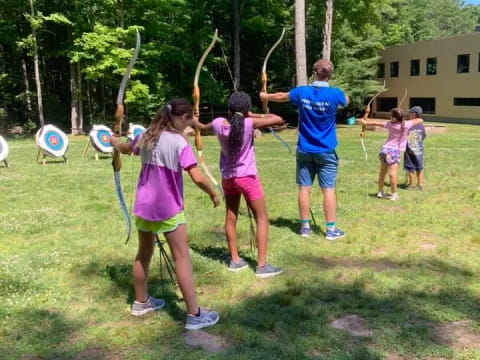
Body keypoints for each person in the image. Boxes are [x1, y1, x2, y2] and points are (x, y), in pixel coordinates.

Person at [110, 98, 220, 330]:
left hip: (144, 205)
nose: (189, 125)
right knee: (181, 256)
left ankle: (141, 302)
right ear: (182, 118)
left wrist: (114, 141)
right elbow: (197, 176)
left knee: (143, 253)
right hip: (167, 206)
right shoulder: (179, 142)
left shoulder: (148, 135)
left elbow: (126, 148)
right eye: (189, 120)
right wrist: (213, 193)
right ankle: (195, 314)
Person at [192, 91, 283, 278]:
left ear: (229, 109)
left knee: (231, 215)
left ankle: (234, 260)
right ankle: (262, 266)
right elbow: (278, 118)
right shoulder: (250, 123)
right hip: (247, 178)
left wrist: (194, 119)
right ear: (247, 110)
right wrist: (252, 115)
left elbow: (201, 126)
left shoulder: (218, 123)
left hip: (228, 179)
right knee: (262, 218)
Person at [260, 59, 349, 240]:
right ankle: (330, 230)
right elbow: (346, 100)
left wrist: (265, 96)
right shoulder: (335, 94)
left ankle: (305, 228)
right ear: (330, 75)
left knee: (304, 188)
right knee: (328, 189)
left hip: (305, 149)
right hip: (326, 150)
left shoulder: (302, 92)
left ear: (314, 73)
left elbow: (281, 97)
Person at [358, 107, 424, 201]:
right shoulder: (407, 124)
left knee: (382, 173)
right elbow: (421, 120)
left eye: (392, 116)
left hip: (384, 150)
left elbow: (375, 122)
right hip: (394, 152)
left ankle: (380, 192)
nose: (390, 118)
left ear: (394, 118)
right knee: (393, 174)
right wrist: (403, 119)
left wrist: (365, 122)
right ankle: (394, 195)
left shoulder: (389, 124)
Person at [404, 106, 426, 190]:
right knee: (419, 167)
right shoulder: (421, 124)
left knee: (410, 167)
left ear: (414, 114)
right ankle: (420, 185)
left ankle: (410, 184)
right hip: (419, 149)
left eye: (410, 113)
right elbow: (423, 135)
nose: (408, 114)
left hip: (409, 149)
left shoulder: (409, 124)